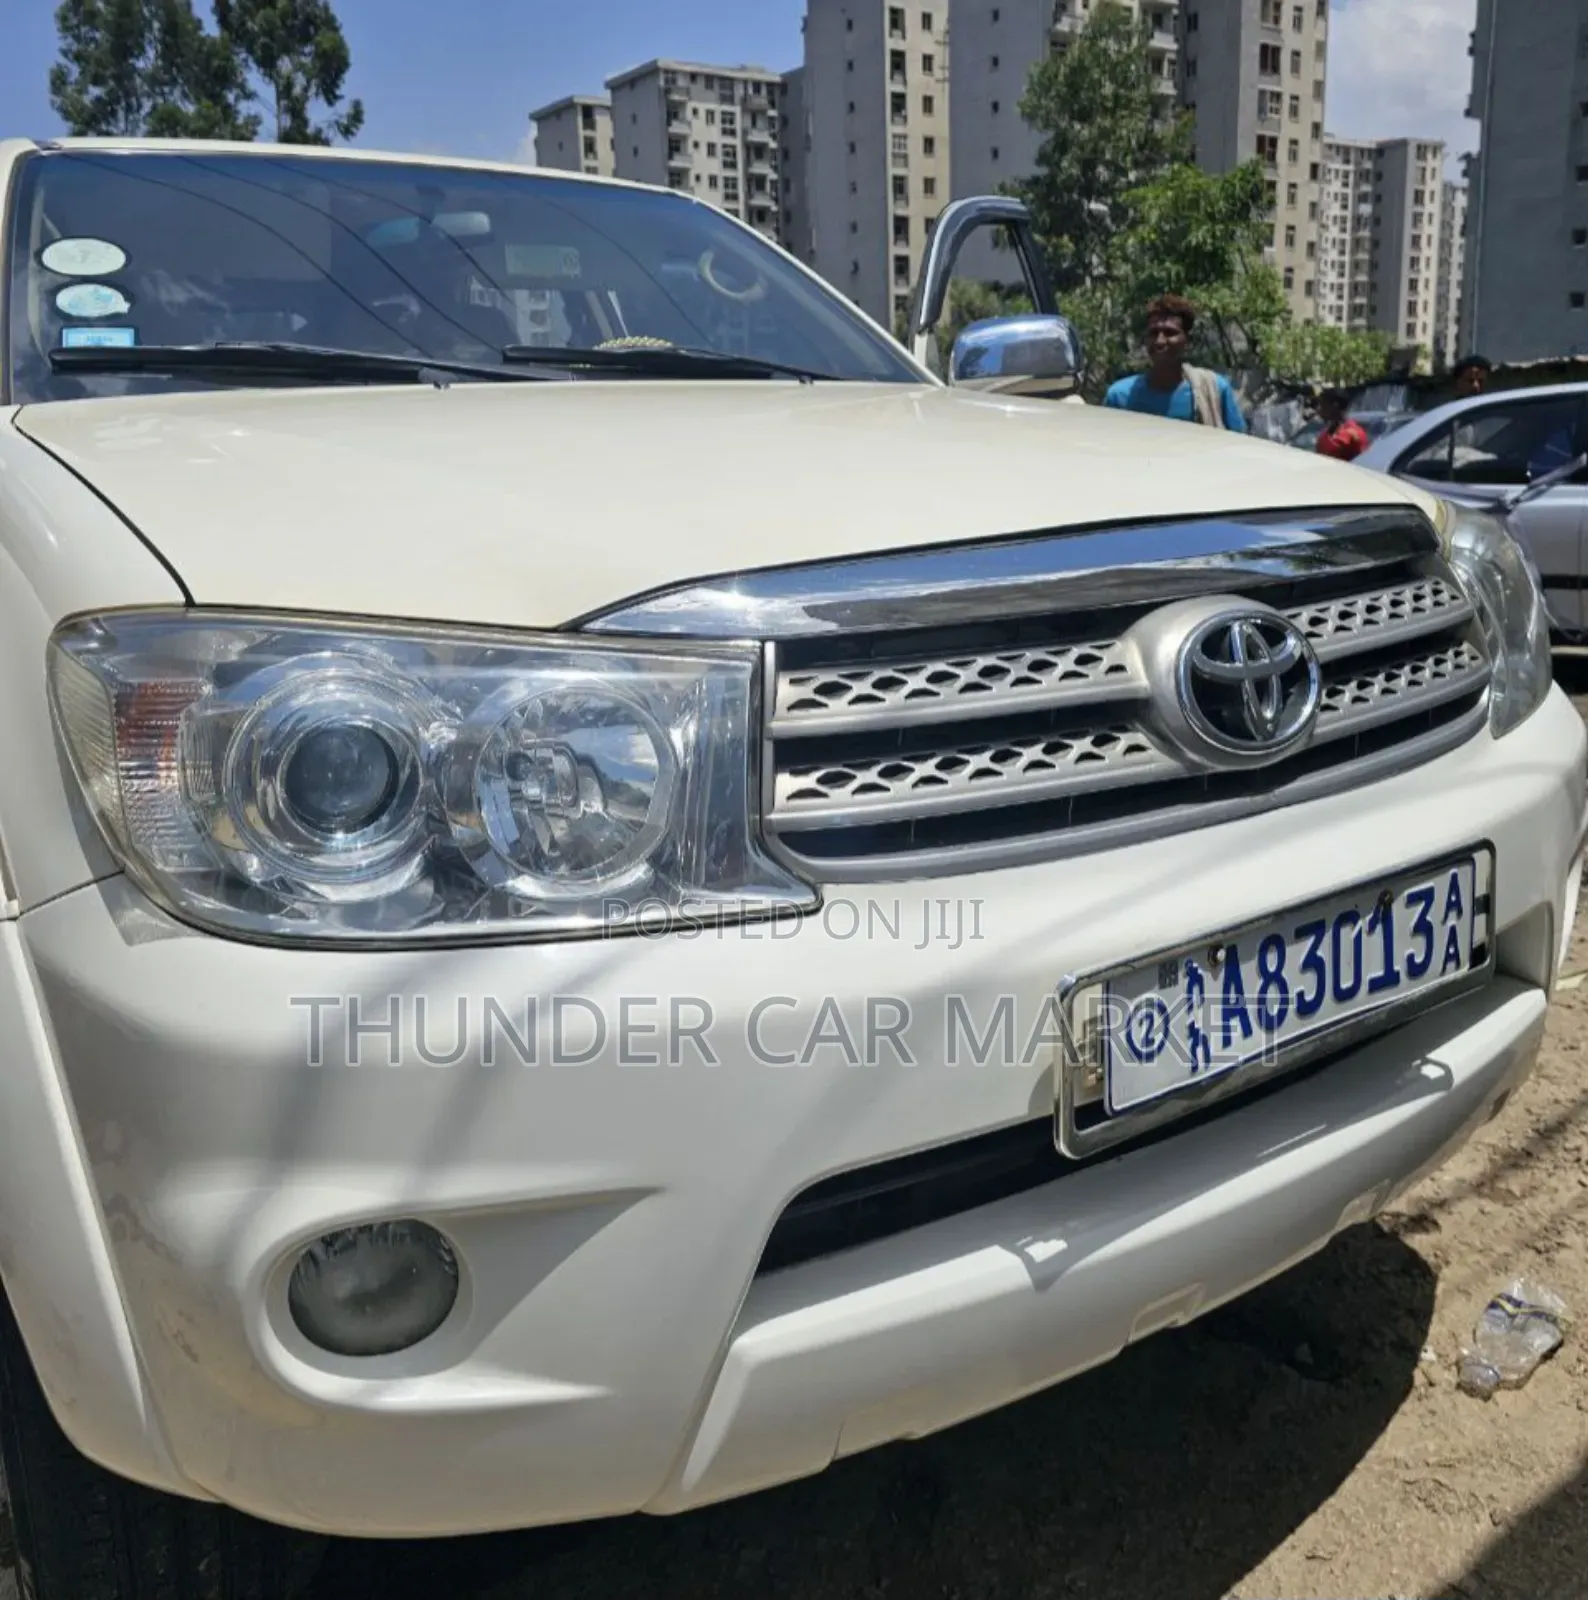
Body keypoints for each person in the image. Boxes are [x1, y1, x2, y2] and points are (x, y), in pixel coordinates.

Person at [1103, 294, 1247, 431]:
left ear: (1188, 341)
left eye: (1170, 333)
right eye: (1154, 333)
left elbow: (1239, 446)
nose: (1160, 341)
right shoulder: (1120, 397)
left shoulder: (1212, 390)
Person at [1314, 389, 1370, 462]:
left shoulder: (1355, 434)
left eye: (1323, 405)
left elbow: (1364, 463)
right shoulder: (1325, 433)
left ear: (1335, 405)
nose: (1319, 409)